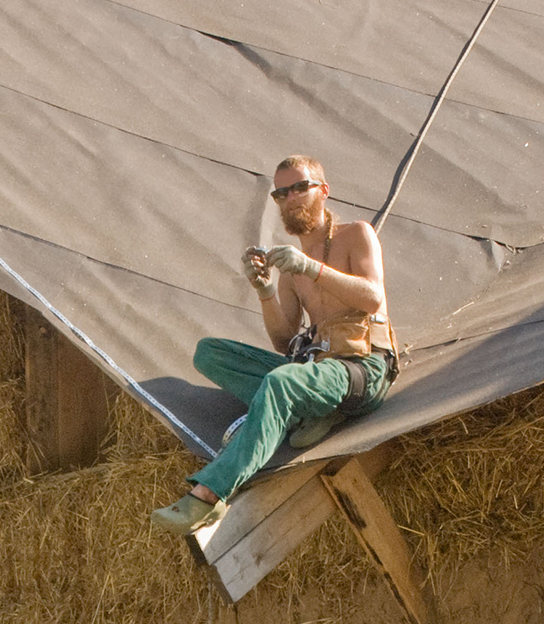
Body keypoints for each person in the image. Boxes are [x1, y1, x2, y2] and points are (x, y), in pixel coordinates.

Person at [151, 155, 398, 535]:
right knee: (210, 353)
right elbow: (284, 340)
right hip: (317, 370)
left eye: (301, 187)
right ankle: (312, 411)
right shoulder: (291, 267)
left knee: (281, 384)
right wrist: (266, 290)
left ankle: (209, 495)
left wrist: (311, 268)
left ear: (324, 191)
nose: (291, 198)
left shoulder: (355, 235)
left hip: (362, 369)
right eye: (282, 192)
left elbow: (373, 298)